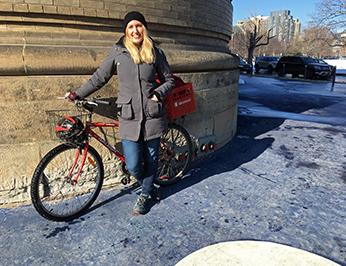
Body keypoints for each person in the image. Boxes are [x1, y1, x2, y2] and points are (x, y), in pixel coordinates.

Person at [66, 11, 175, 215]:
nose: (135, 30)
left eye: (139, 26)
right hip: (129, 115)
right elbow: (99, 77)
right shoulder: (118, 52)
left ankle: (144, 196)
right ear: (126, 30)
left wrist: (158, 95)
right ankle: (149, 187)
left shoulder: (156, 52)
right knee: (133, 164)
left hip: (152, 114)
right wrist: (77, 93)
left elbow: (170, 80)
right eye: (131, 27)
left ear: (144, 28)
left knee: (151, 159)